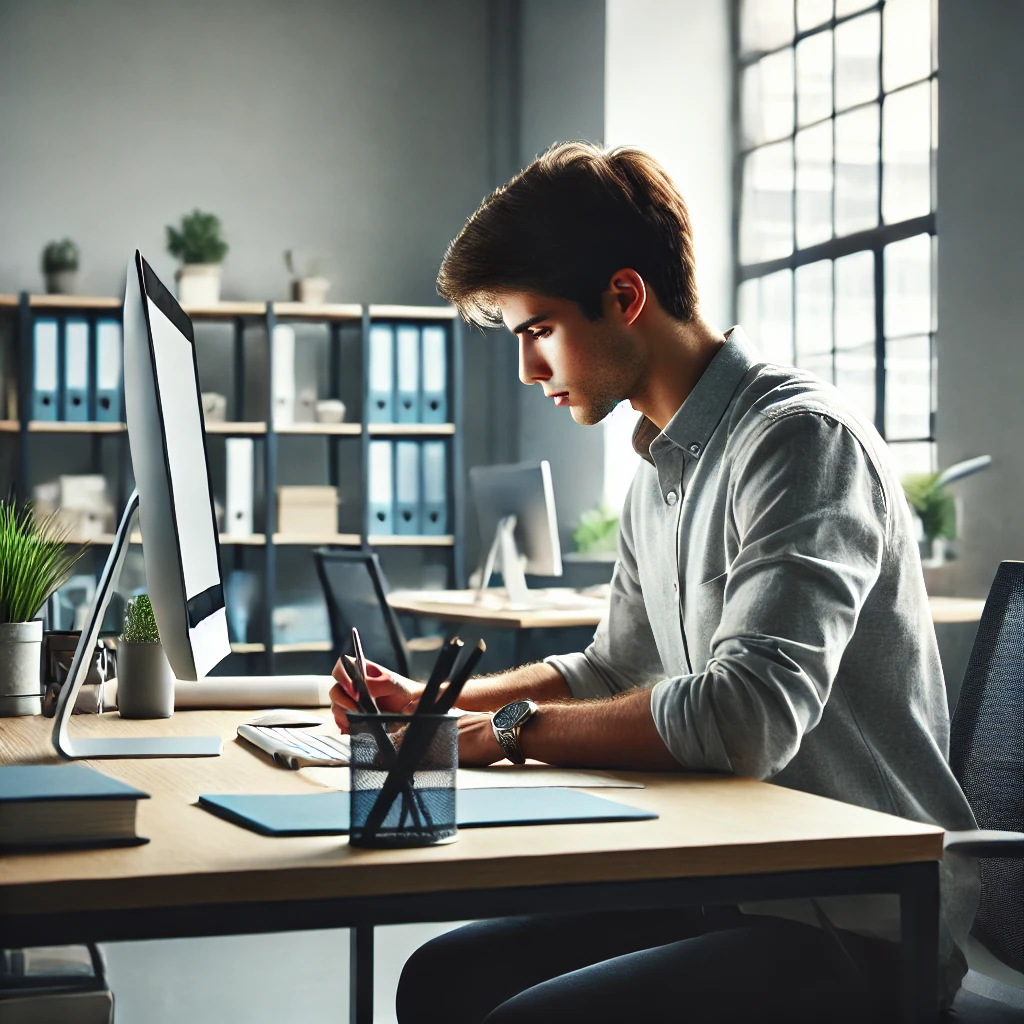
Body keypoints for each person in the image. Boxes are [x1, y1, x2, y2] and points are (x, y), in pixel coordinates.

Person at [329, 142, 979, 1024]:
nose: (528, 370)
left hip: (855, 919)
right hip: (728, 876)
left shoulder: (799, 441)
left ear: (625, 297)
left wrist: (505, 733)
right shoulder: (660, 470)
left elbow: (746, 716)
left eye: (539, 330)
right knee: (442, 981)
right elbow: (613, 669)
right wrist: (433, 708)